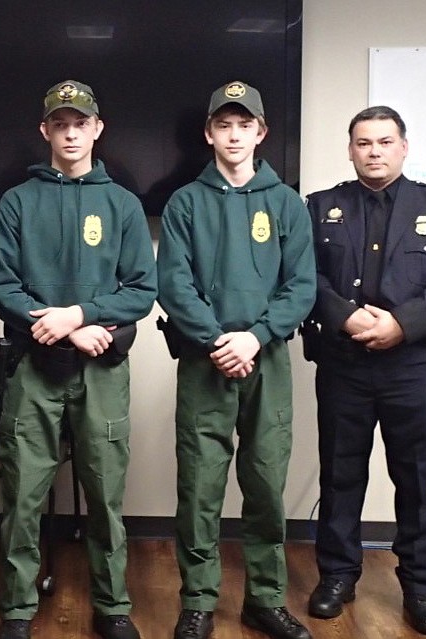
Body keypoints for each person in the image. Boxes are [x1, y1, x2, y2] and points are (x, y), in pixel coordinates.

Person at [0, 80, 157, 639]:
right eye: (61, 123)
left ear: (97, 129)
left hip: (102, 370)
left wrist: (78, 316)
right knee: (23, 495)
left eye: (80, 123)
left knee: (106, 495)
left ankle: (112, 606)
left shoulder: (123, 203)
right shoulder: (18, 201)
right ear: (46, 131)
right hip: (33, 371)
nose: (71, 132)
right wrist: (58, 329)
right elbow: (1, 289)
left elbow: (140, 290)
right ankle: (16, 607)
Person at [301, 106, 426, 636]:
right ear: (350, 149)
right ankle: (336, 576)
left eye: (384, 141)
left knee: (418, 478)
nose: (373, 151)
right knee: (340, 472)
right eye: (363, 142)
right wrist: (346, 316)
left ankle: (422, 588)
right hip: (344, 362)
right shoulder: (321, 206)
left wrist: (401, 324)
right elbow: (304, 274)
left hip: (412, 363)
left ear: (403, 147)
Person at [156, 81, 315, 639]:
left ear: (260, 132)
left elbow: (301, 286)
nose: (234, 134)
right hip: (205, 361)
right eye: (223, 125)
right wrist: (219, 340)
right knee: (200, 486)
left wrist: (255, 337)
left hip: (266, 361)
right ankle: (198, 599)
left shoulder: (286, 203)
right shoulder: (185, 202)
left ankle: (264, 599)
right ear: (209, 133)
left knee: (266, 483)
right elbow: (173, 285)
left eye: (244, 125)